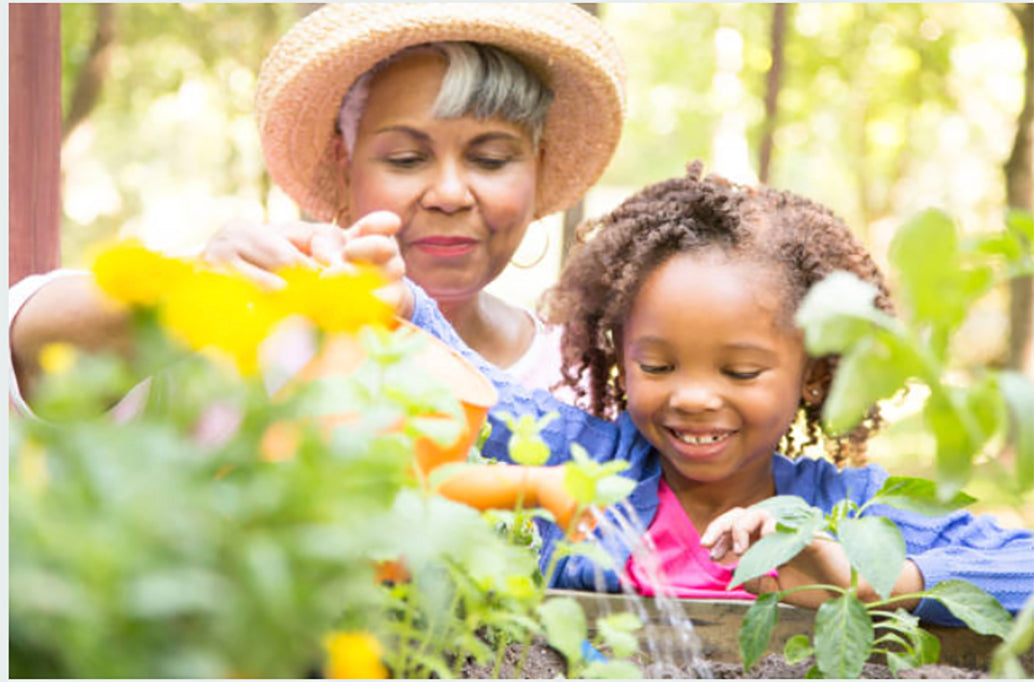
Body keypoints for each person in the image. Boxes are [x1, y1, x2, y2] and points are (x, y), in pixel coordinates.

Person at [401, 162, 1034, 625]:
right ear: (620, 356)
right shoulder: (590, 462)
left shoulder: (849, 511)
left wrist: (875, 580)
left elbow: (1022, 565)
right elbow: (484, 395)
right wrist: (399, 304)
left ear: (812, 374)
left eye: (739, 373)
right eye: (659, 365)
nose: (695, 397)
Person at [8, 3, 625, 414]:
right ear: (342, 162)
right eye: (407, 159)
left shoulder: (591, 380)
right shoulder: (255, 332)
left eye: (490, 160)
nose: (448, 193)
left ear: (538, 167)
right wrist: (189, 290)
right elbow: (26, 356)